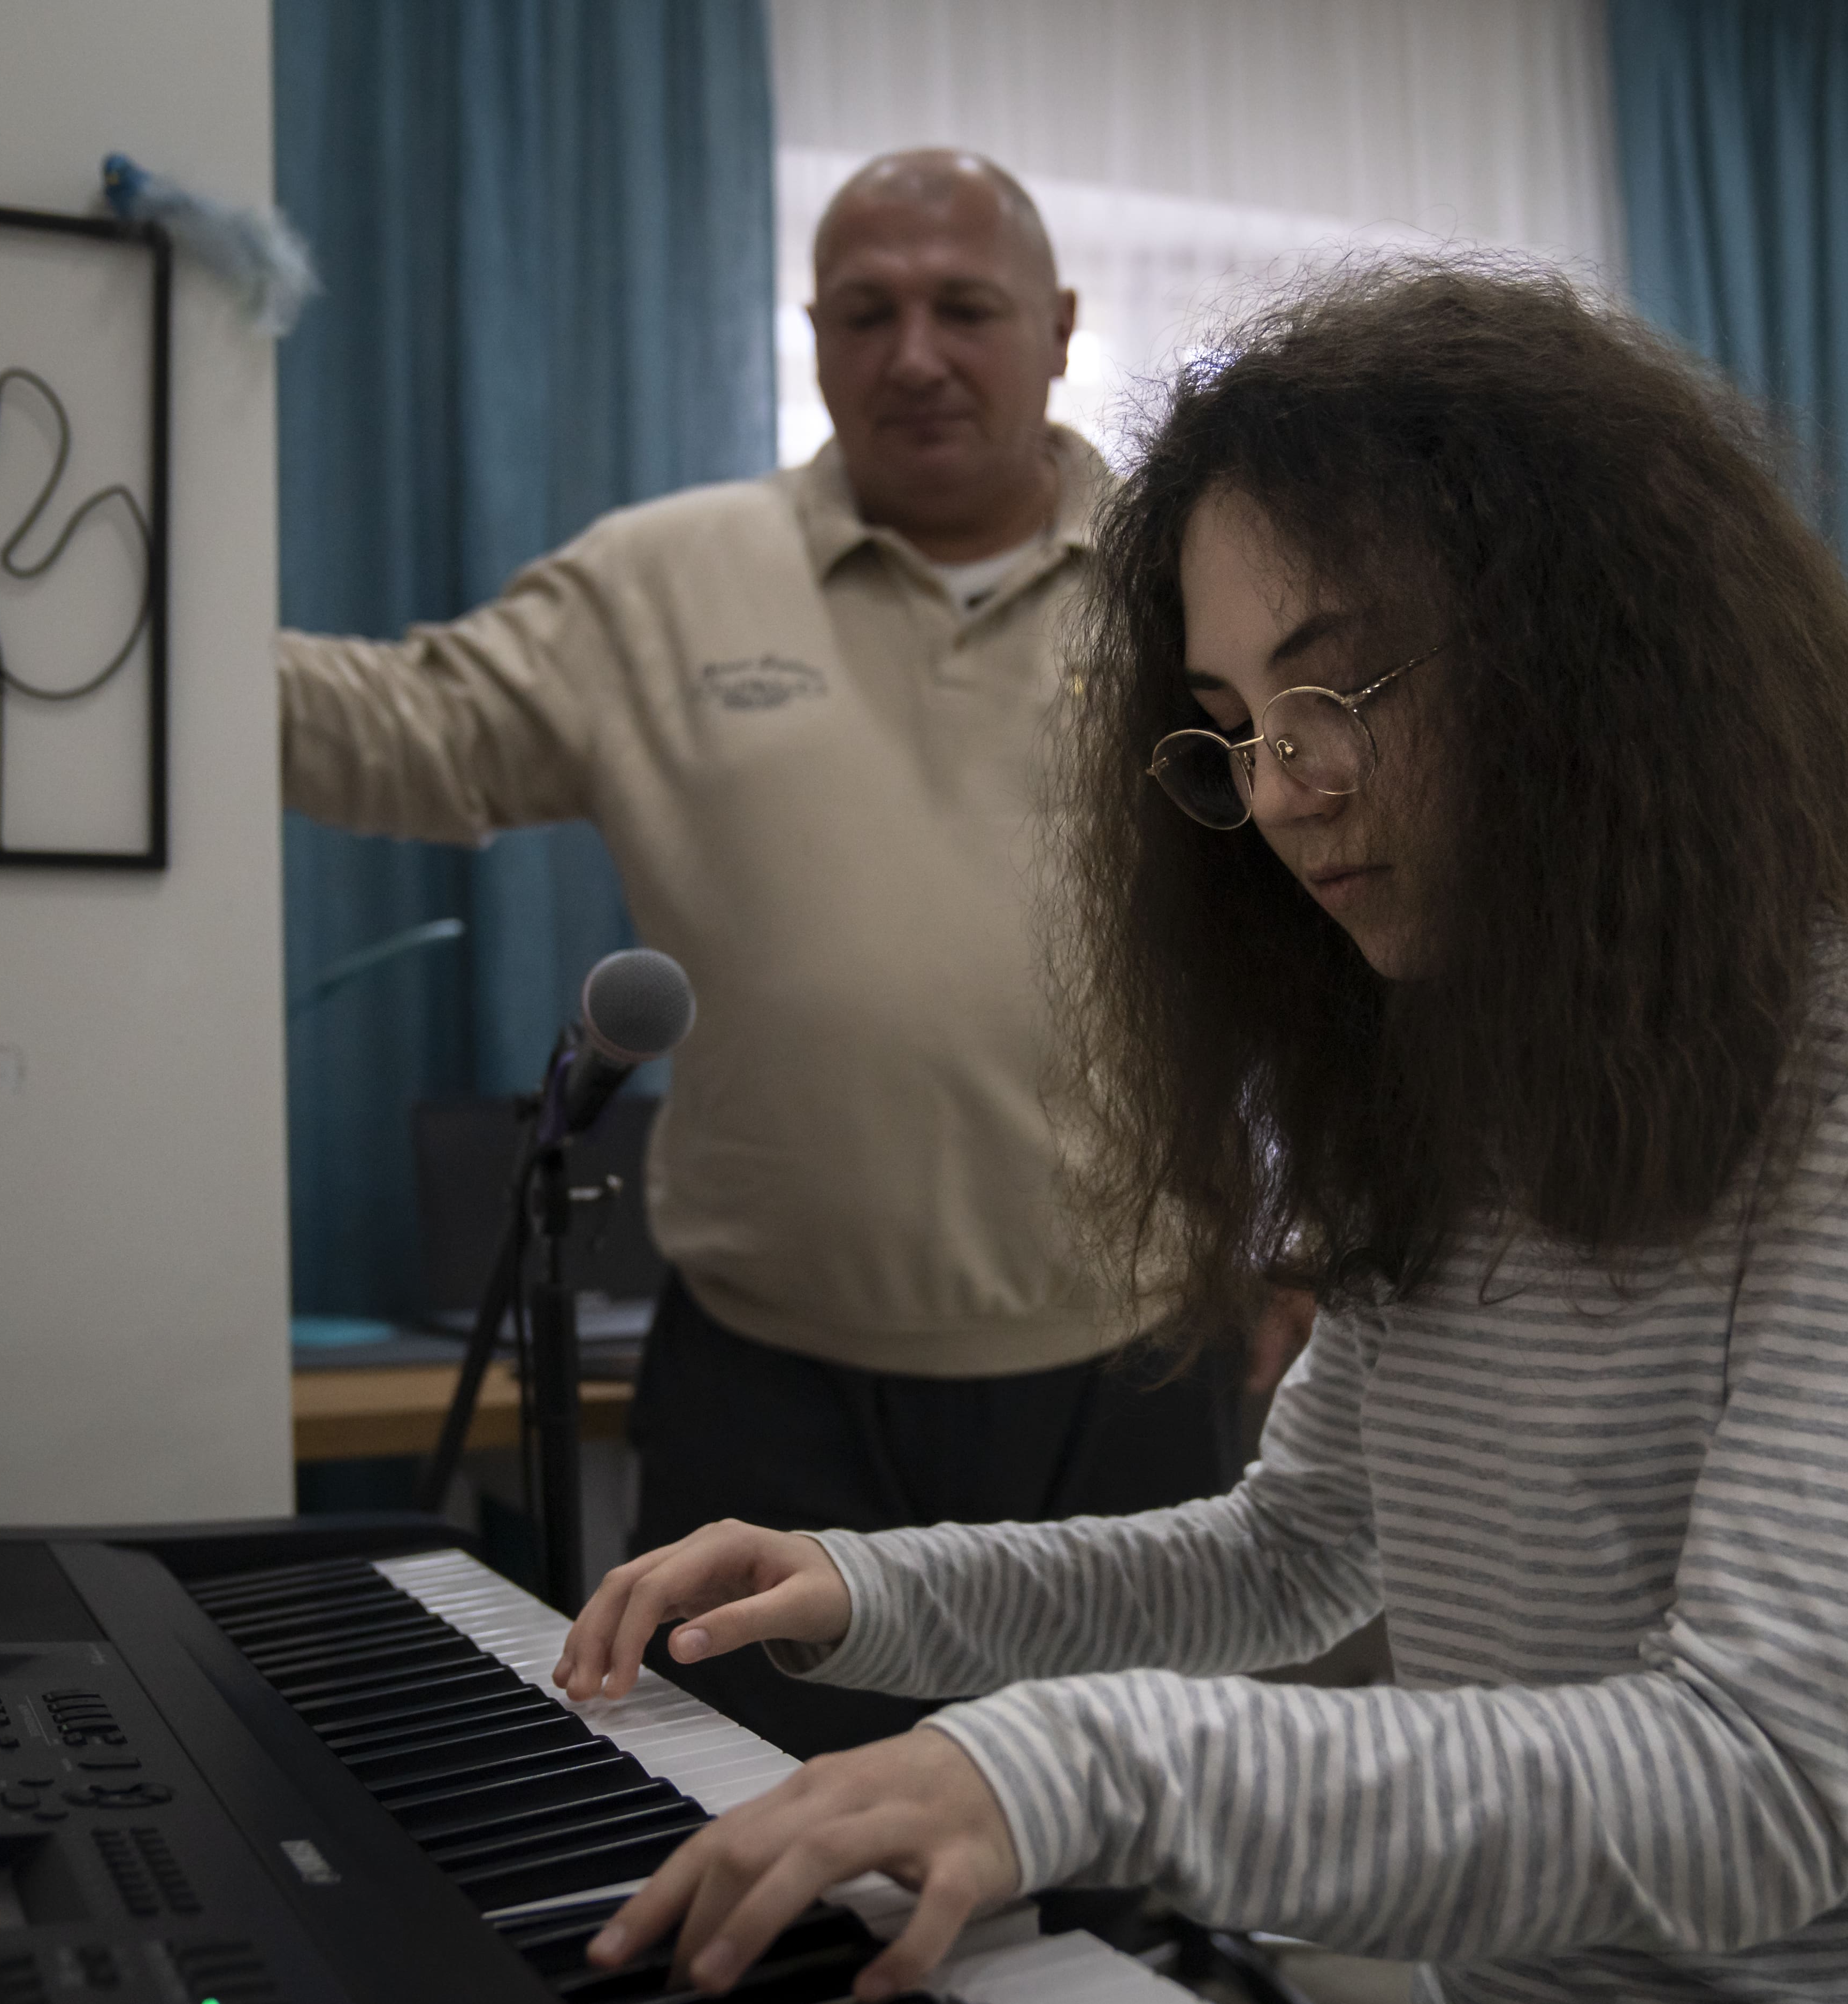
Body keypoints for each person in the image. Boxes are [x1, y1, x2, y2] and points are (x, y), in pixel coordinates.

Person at [550, 263, 1848, 2004]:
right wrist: (870, 1590)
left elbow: (1754, 1784)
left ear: (1589, 655)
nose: (1284, 786)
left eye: (1334, 693)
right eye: (1233, 721)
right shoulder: (1432, 1067)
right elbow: (1293, 1556)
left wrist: (1071, 1765)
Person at [279, 150, 1267, 1759]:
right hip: (771, 1391)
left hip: (1125, 1382)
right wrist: (144, 639)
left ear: (1063, 326)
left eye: (965, 307)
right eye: (866, 313)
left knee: (1100, 1871)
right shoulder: (667, 581)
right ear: (812, 335)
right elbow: (417, 729)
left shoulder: (1199, 584)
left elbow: (1325, 909)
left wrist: (1321, 1239)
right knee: (759, 1854)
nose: (917, 354)